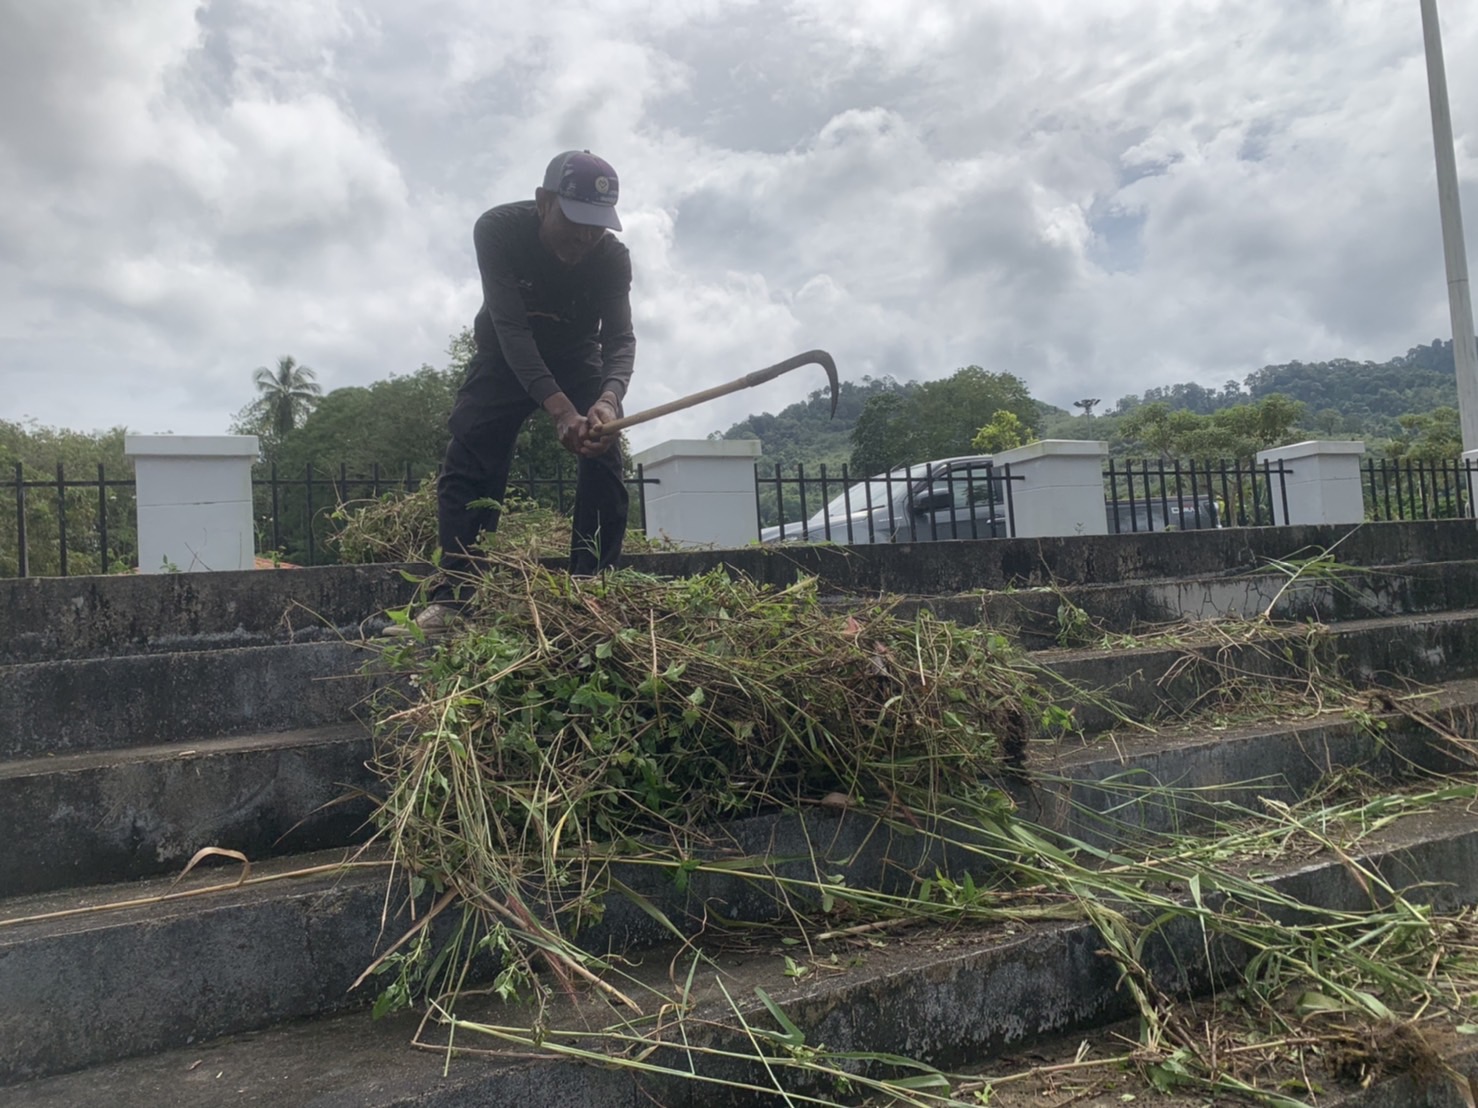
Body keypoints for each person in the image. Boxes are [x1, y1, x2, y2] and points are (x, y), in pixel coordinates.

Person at [409, 149, 635, 634]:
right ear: (542, 202)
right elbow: (512, 329)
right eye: (574, 219)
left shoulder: (612, 259)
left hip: (577, 356)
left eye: (597, 225)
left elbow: (619, 339)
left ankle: (590, 590)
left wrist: (607, 400)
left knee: (605, 453)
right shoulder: (498, 231)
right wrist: (558, 411)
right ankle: (454, 599)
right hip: (505, 355)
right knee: (470, 454)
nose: (585, 236)